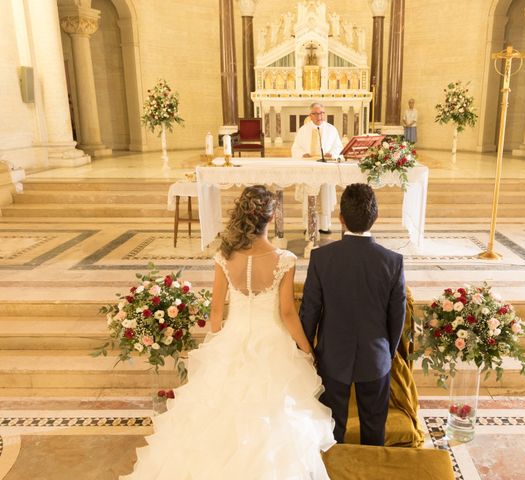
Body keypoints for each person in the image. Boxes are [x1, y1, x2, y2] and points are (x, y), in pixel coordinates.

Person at [122, 186, 335, 479]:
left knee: (214, 411)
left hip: (233, 336)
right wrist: (307, 348)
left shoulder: (224, 256)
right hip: (271, 340)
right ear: (270, 219)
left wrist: (219, 341)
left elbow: (217, 313)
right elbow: (287, 313)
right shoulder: (284, 259)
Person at [300, 183, 406, 446]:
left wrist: (309, 352)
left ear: (341, 219)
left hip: (333, 356)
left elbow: (310, 310)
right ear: (376, 219)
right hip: (376, 356)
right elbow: (397, 316)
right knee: (374, 427)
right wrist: (387, 351)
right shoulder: (392, 261)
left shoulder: (321, 258)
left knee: (331, 430)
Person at [292, 102, 343, 235]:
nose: (319, 116)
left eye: (321, 113)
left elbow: (338, 147)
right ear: (311, 115)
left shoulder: (332, 129)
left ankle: (324, 226)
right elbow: (296, 147)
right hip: (309, 168)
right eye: (316, 113)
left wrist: (332, 154)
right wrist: (303, 154)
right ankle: (308, 225)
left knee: (324, 196)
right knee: (309, 196)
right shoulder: (303, 130)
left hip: (325, 167)